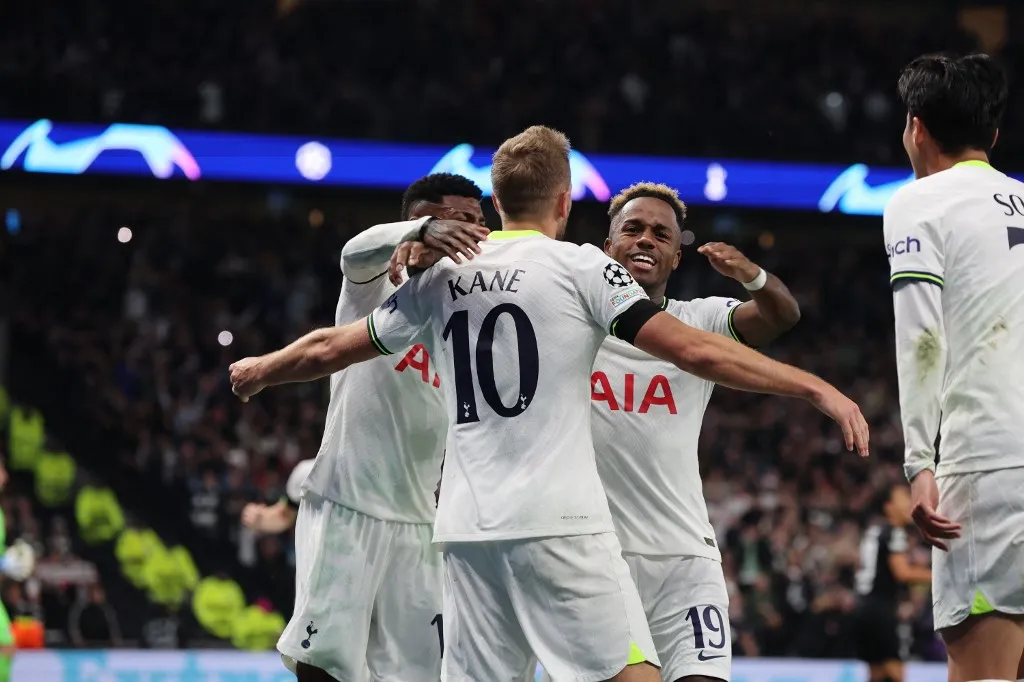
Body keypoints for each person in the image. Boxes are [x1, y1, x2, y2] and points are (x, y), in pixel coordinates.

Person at [230, 125, 869, 682]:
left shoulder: (441, 279)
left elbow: (330, 349)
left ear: (496, 203)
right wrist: (813, 385)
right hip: (560, 526)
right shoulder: (582, 268)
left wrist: (261, 369)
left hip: (464, 533)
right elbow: (695, 352)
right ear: (565, 202)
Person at [270, 173, 489, 682]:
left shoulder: (466, 310)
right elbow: (353, 251)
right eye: (463, 221)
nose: (477, 233)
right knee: (323, 663)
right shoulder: (376, 283)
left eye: (482, 223)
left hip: (419, 524)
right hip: (347, 505)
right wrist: (420, 233)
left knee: (419, 673)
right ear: (420, 221)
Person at [586, 182, 800, 682]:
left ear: (676, 258)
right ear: (606, 248)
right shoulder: (574, 323)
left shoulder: (698, 320)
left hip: (686, 560)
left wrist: (753, 275)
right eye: (633, 229)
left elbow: (782, 316)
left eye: (662, 234)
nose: (646, 241)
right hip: (597, 562)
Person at [885, 52, 1024, 682]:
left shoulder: (919, 202)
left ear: (916, 127)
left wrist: (920, 463)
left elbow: (921, 340)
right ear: (992, 136)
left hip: (991, 465)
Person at [852, 483, 931, 682]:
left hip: (862, 607)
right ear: (888, 507)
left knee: (876, 675)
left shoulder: (874, 531)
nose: (908, 503)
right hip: (882, 610)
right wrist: (938, 575)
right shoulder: (894, 532)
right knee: (896, 673)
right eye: (903, 498)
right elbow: (902, 573)